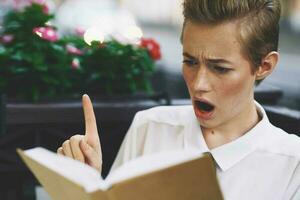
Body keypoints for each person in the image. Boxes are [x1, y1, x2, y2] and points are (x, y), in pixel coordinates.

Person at [57, 0, 300, 199]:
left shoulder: (293, 165)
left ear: (264, 66)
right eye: (190, 62)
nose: (198, 84)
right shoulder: (149, 127)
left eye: (220, 68)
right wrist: (87, 186)